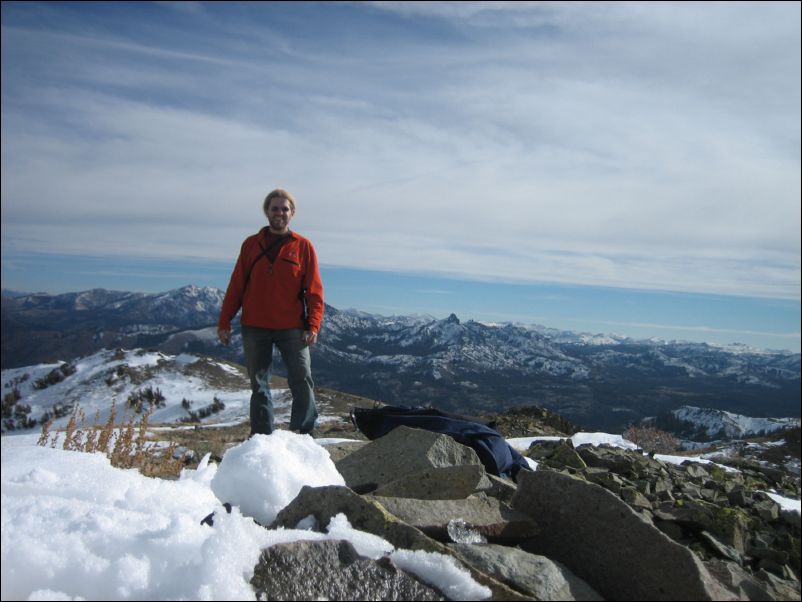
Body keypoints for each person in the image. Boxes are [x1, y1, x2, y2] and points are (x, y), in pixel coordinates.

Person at [218, 188, 324, 437]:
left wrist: (313, 325)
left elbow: (314, 291)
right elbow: (237, 285)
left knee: (302, 379)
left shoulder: (304, 247)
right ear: (267, 211)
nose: (279, 213)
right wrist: (225, 320)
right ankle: (263, 438)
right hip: (255, 326)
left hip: (292, 327)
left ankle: (303, 433)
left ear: (292, 213)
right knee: (260, 385)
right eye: (275, 208)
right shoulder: (251, 245)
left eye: (284, 209)